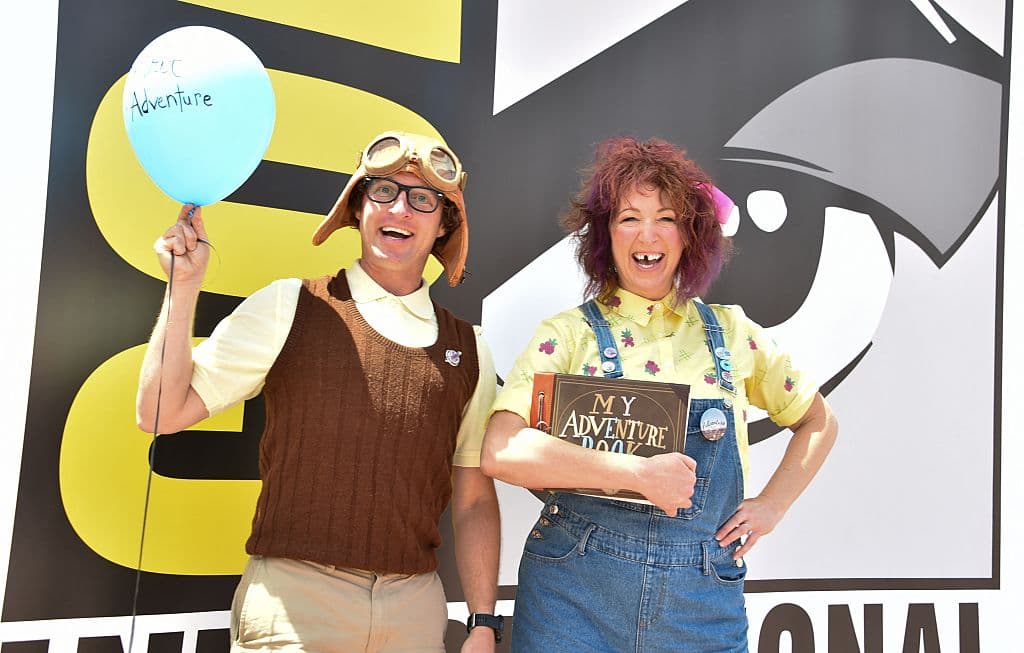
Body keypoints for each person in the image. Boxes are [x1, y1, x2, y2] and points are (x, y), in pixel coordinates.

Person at [136, 131, 503, 652]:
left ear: (445, 224)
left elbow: (472, 500)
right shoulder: (290, 305)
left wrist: (483, 622)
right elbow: (159, 411)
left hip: (415, 610)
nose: (399, 208)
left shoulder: (470, 349)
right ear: (357, 208)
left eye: (422, 199)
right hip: (295, 604)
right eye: (382, 191)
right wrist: (183, 286)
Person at [481, 136, 838, 652]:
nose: (646, 233)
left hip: (700, 604)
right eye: (628, 217)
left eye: (666, 217)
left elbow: (819, 421)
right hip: (574, 596)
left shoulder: (731, 335)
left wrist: (771, 506)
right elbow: (501, 450)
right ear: (605, 235)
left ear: (690, 235)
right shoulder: (567, 335)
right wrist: (634, 474)